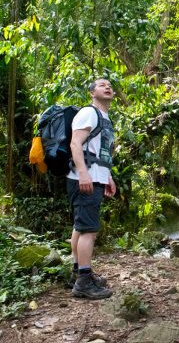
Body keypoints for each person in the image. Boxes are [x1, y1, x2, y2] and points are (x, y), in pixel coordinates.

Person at [67, 78, 116, 300]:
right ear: (91, 92)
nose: (108, 87)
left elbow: (100, 151)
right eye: (102, 85)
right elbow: (75, 144)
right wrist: (84, 173)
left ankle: (78, 273)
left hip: (95, 177)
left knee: (81, 226)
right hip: (84, 177)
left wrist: (108, 177)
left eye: (110, 85)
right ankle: (84, 283)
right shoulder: (89, 113)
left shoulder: (105, 118)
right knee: (89, 230)